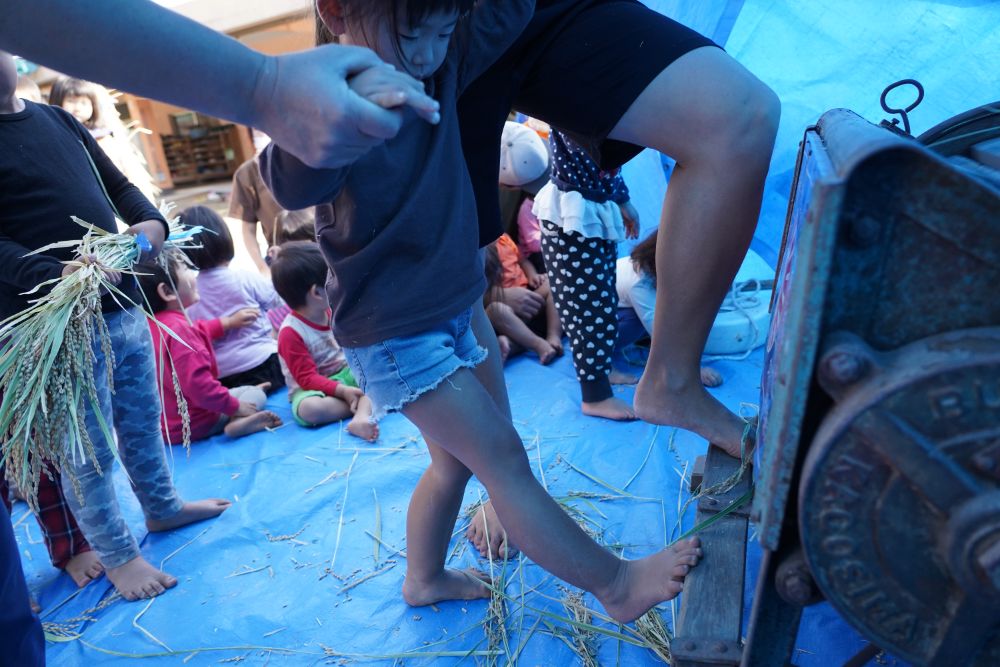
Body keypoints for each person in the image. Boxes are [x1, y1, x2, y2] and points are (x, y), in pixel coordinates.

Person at [261, 0, 701, 623]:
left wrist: (438, 33)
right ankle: (616, 585)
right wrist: (321, 107)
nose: (428, 51)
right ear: (336, 11)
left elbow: (504, 12)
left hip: (451, 309)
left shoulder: (443, 63)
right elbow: (290, 183)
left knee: (453, 466)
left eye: (443, 29)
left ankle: (423, 579)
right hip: (395, 335)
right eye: (413, 32)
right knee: (503, 461)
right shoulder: (334, 104)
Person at [0, 50, 230, 602]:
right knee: (88, 450)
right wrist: (54, 273)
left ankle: (162, 506)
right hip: (57, 325)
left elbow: (118, 186)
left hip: (122, 303)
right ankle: (118, 555)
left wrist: (149, 222)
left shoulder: (57, 119)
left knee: (141, 419)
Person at [533, 127, 642, 420]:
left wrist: (622, 200)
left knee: (605, 301)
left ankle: (603, 370)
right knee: (587, 310)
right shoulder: (576, 120)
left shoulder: (603, 123)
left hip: (592, 209)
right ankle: (595, 396)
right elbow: (598, 156)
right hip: (571, 218)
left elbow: (609, 167)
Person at [136, 251, 283, 444]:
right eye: (186, 269)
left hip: (167, 426)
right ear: (167, 291)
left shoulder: (152, 326)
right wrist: (235, 406)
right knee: (255, 395)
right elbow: (199, 386)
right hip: (197, 423)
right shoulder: (181, 331)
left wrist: (227, 323)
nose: (193, 275)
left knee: (240, 391)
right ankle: (238, 422)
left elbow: (200, 330)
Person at [269, 242, 377, 441]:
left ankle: (361, 415)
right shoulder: (291, 333)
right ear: (317, 293)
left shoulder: (333, 311)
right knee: (310, 409)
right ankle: (366, 403)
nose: (340, 284)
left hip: (347, 374)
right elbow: (306, 378)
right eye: (334, 279)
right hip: (313, 389)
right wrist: (342, 391)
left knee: (378, 366)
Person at [181, 206, 287, 391]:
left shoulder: (189, 294)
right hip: (267, 363)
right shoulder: (243, 278)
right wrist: (277, 264)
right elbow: (277, 299)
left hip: (225, 378)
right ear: (225, 238)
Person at [615, 231, 722, 388]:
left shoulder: (651, 267)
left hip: (604, 309)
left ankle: (641, 338)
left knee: (665, 306)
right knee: (636, 319)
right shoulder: (639, 283)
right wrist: (692, 370)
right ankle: (601, 366)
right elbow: (659, 331)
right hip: (591, 326)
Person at [48, 76, 160, 202]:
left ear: (93, 106)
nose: (77, 108)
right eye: (71, 101)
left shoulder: (102, 137)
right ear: (56, 101)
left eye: (84, 103)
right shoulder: (54, 137)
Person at [483, 233, 562, 364]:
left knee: (552, 283)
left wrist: (533, 275)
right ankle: (539, 345)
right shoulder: (479, 248)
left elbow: (522, 260)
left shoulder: (504, 238)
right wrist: (498, 295)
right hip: (505, 309)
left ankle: (553, 336)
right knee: (495, 310)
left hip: (529, 296)